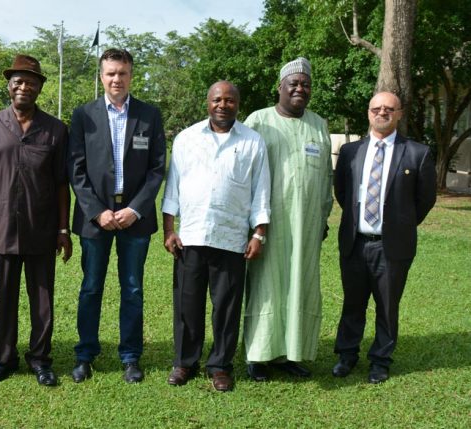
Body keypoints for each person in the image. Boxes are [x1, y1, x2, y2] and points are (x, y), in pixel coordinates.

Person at [0, 54, 72, 387]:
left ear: (40, 87)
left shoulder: (56, 129)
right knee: (4, 295)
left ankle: (41, 359)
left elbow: (61, 184)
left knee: (42, 298)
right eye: (18, 80)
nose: (23, 86)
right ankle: (4, 359)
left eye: (30, 81)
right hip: (2, 228)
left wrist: (63, 229)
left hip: (42, 229)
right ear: (9, 85)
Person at [162, 81, 270, 392]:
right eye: (217, 100)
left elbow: (261, 190)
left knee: (226, 305)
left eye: (230, 101)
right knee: (187, 304)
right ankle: (185, 361)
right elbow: (173, 188)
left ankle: (220, 365)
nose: (223, 105)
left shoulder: (252, 142)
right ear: (207, 103)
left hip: (231, 236)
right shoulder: (186, 139)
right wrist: (170, 229)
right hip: (191, 235)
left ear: (238, 104)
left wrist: (258, 233)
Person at [68, 48, 166, 383]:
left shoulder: (149, 116)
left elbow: (156, 170)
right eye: (110, 73)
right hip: (95, 219)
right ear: (101, 76)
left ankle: (130, 357)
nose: (116, 79)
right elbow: (76, 170)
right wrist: (97, 212)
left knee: (133, 288)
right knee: (91, 287)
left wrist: (134, 209)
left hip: (134, 218)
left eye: (122, 73)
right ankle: (85, 354)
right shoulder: (84, 115)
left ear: (131, 75)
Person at [332, 92, 436, 383]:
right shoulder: (350, 152)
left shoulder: (417, 153)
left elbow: (425, 199)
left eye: (389, 109)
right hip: (355, 242)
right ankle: (347, 354)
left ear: (400, 114)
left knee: (387, 305)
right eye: (376, 108)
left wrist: (399, 224)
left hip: (392, 246)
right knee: (353, 302)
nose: (382, 113)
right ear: (368, 113)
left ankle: (380, 359)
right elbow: (343, 192)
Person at [242, 57, 333, 381]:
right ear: (280, 87)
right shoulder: (258, 121)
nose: (299, 88)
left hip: (306, 226)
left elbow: (326, 178)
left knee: (300, 286)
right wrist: (251, 223)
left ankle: (289, 353)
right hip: (267, 224)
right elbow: (245, 173)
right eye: (293, 83)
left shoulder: (319, 125)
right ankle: (258, 354)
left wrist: (323, 217)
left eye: (305, 84)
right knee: (266, 286)